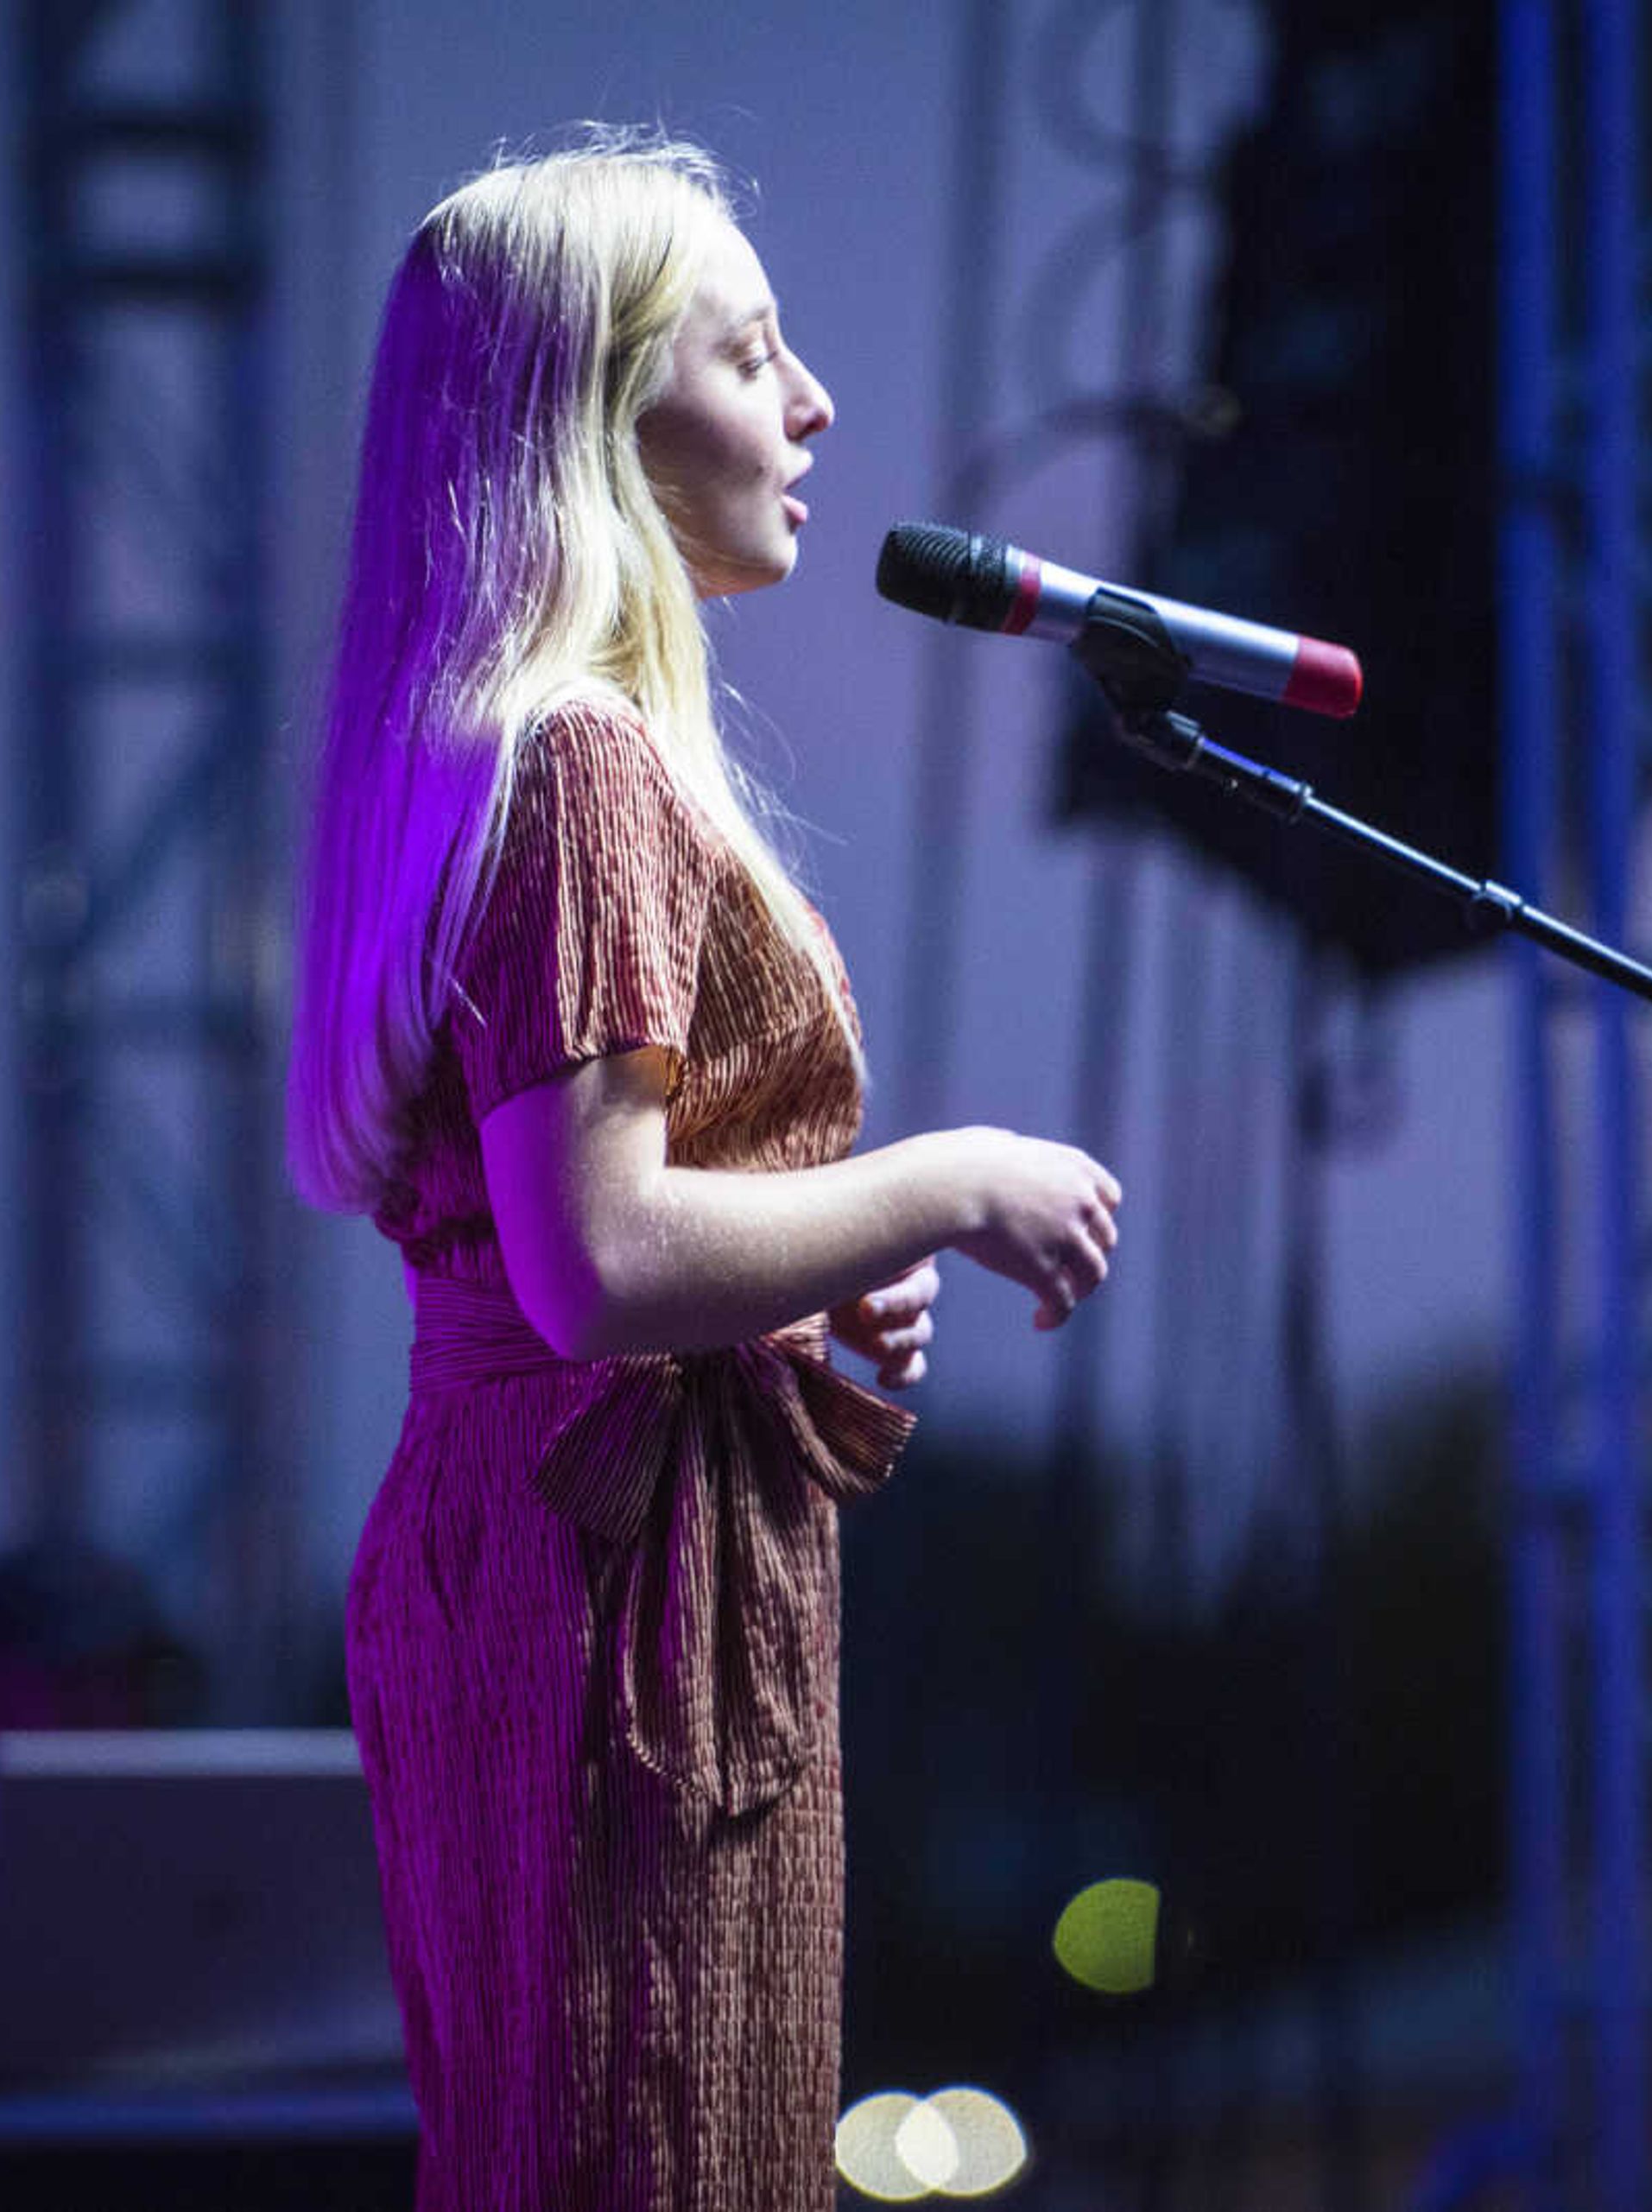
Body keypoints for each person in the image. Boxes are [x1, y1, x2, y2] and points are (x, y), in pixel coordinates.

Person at [286, 132, 1122, 2212]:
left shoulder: (501, 755)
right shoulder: (583, 764)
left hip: (553, 1557)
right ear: (599, 416)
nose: (816, 402)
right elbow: (596, 1262)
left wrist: (795, 1275)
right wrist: (938, 1185)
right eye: (754, 354)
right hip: (610, 1612)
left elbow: (579, 1238)